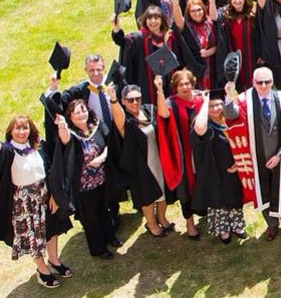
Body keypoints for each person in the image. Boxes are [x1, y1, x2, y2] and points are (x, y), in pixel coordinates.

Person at [0, 111, 73, 288]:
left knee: (52, 229)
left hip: (45, 195)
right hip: (24, 203)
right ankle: (42, 269)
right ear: (11, 131)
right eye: (18, 128)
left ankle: (54, 260)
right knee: (34, 236)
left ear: (30, 130)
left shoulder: (39, 148)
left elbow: (51, 171)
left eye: (25, 128)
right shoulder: (8, 151)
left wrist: (54, 194)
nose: (21, 132)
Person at [224, 68, 281, 240]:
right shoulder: (244, 101)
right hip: (256, 158)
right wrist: (228, 95)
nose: (264, 85)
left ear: (272, 81)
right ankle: (272, 225)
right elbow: (230, 115)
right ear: (253, 82)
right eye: (260, 82)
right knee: (262, 191)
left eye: (267, 81)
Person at [45, 98, 116, 259]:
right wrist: (62, 125)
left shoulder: (95, 126)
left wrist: (102, 158)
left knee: (106, 210)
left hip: (102, 180)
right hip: (84, 186)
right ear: (70, 116)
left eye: (83, 110)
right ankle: (98, 248)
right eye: (77, 112)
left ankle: (111, 237)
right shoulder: (71, 134)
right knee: (92, 218)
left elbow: (109, 144)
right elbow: (64, 139)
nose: (82, 114)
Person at [111, 84, 170, 238]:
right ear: (123, 101)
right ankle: (151, 224)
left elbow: (164, 117)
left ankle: (162, 217)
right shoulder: (126, 121)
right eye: (130, 100)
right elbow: (119, 121)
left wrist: (159, 90)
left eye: (138, 98)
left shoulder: (149, 110)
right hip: (141, 165)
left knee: (162, 191)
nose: (135, 102)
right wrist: (113, 100)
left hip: (157, 158)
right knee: (147, 196)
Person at [189, 92, 247, 244]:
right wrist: (204, 102)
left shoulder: (229, 121)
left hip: (232, 169)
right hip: (213, 171)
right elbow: (200, 129)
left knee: (234, 198)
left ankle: (237, 225)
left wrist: (238, 163)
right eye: (211, 106)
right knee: (218, 200)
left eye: (217, 105)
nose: (215, 108)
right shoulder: (203, 124)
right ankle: (223, 230)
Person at [154, 70, 205, 239]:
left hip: (203, 153)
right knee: (185, 191)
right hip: (182, 155)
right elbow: (163, 114)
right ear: (175, 87)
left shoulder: (201, 98)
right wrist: (160, 91)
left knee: (206, 184)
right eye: (180, 84)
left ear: (193, 83)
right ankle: (190, 224)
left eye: (187, 83)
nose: (184, 87)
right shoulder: (172, 103)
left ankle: (210, 216)